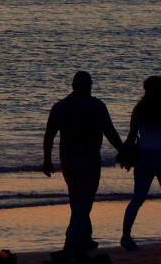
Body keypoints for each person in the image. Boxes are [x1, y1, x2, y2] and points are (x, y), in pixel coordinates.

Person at [42, 70, 124, 252]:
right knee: (82, 201)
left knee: (76, 199)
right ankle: (71, 241)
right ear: (90, 86)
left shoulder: (59, 106)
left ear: (73, 87)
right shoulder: (96, 105)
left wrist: (47, 160)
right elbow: (110, 131)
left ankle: (85, 238)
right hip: (89, 159)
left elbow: (49, 136)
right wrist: (124, 152)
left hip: (67, 160)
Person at [119, 75, 161, 250]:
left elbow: (131, 136)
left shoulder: (139, 109)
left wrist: (126, 155)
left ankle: (126, 234)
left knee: (138, 198)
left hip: (143, 156)